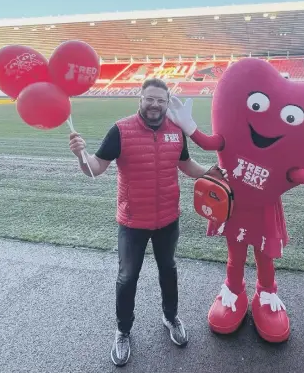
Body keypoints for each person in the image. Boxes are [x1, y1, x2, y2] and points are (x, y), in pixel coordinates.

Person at [69, 78, 227, 367]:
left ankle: (171, 318)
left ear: (167, 104)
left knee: (168, 270)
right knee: (127, 277)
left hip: (168, 219)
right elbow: (96, 169)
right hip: (132, 222)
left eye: (161, 100)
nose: (155, 105)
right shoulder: (120, 130)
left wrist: (214, 172)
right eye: (149, 99)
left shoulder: (176, 131)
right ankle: (123, 331)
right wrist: (81, 155)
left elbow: (187, 166)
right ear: (139, 99)